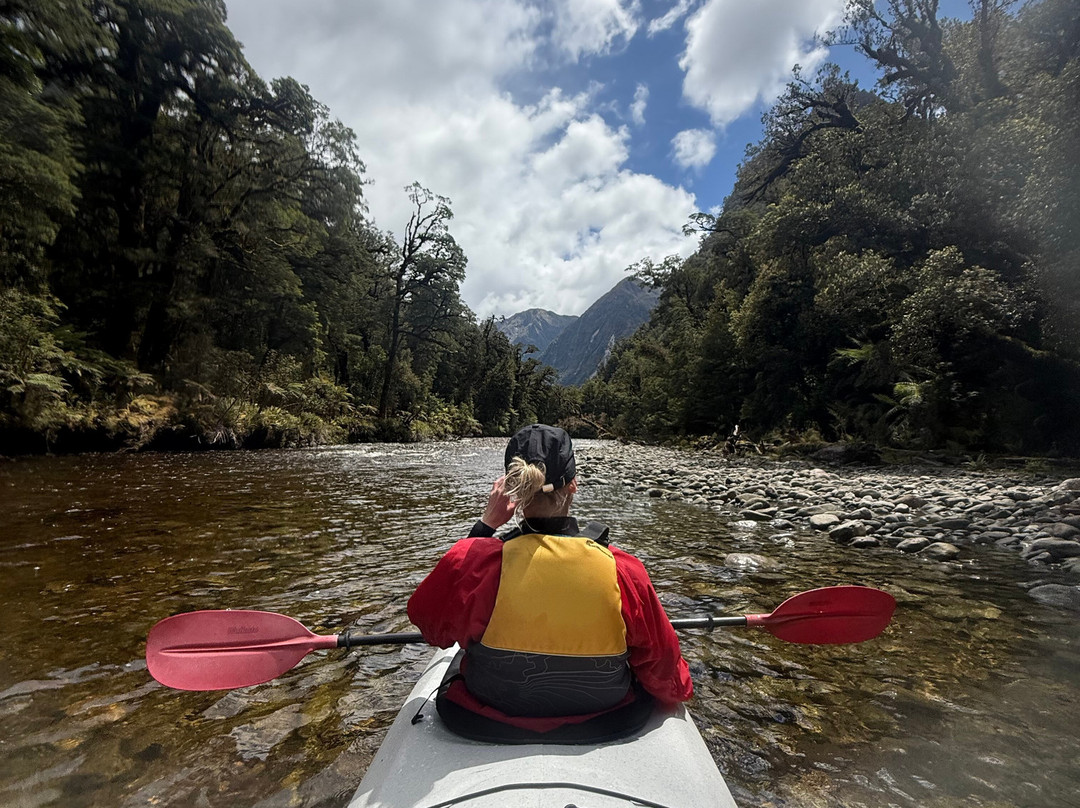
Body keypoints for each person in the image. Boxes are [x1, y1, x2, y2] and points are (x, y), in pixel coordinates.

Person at [407, 423, 693, 742]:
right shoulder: (623, 571)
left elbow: (433, 629)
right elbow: (667, 673)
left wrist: (484, 526)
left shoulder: (476, 564)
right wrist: (675, 692)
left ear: (511, 489)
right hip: (606, 719)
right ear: (573, 485)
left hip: (486, 717)